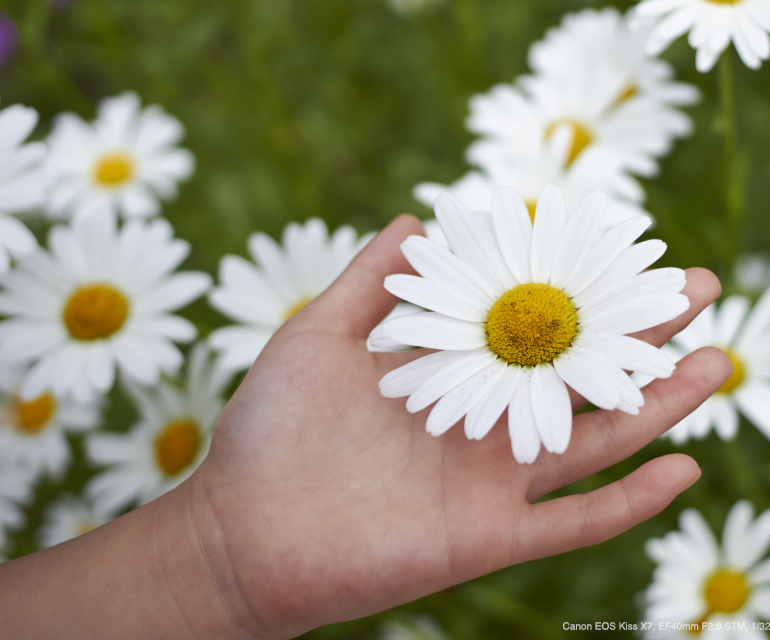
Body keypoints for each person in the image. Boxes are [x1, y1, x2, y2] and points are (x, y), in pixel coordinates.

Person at [0, 215, 731, 639]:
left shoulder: (549, 320)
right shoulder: (488, 338)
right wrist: (214, 562)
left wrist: (209, 563)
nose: (529, 322)